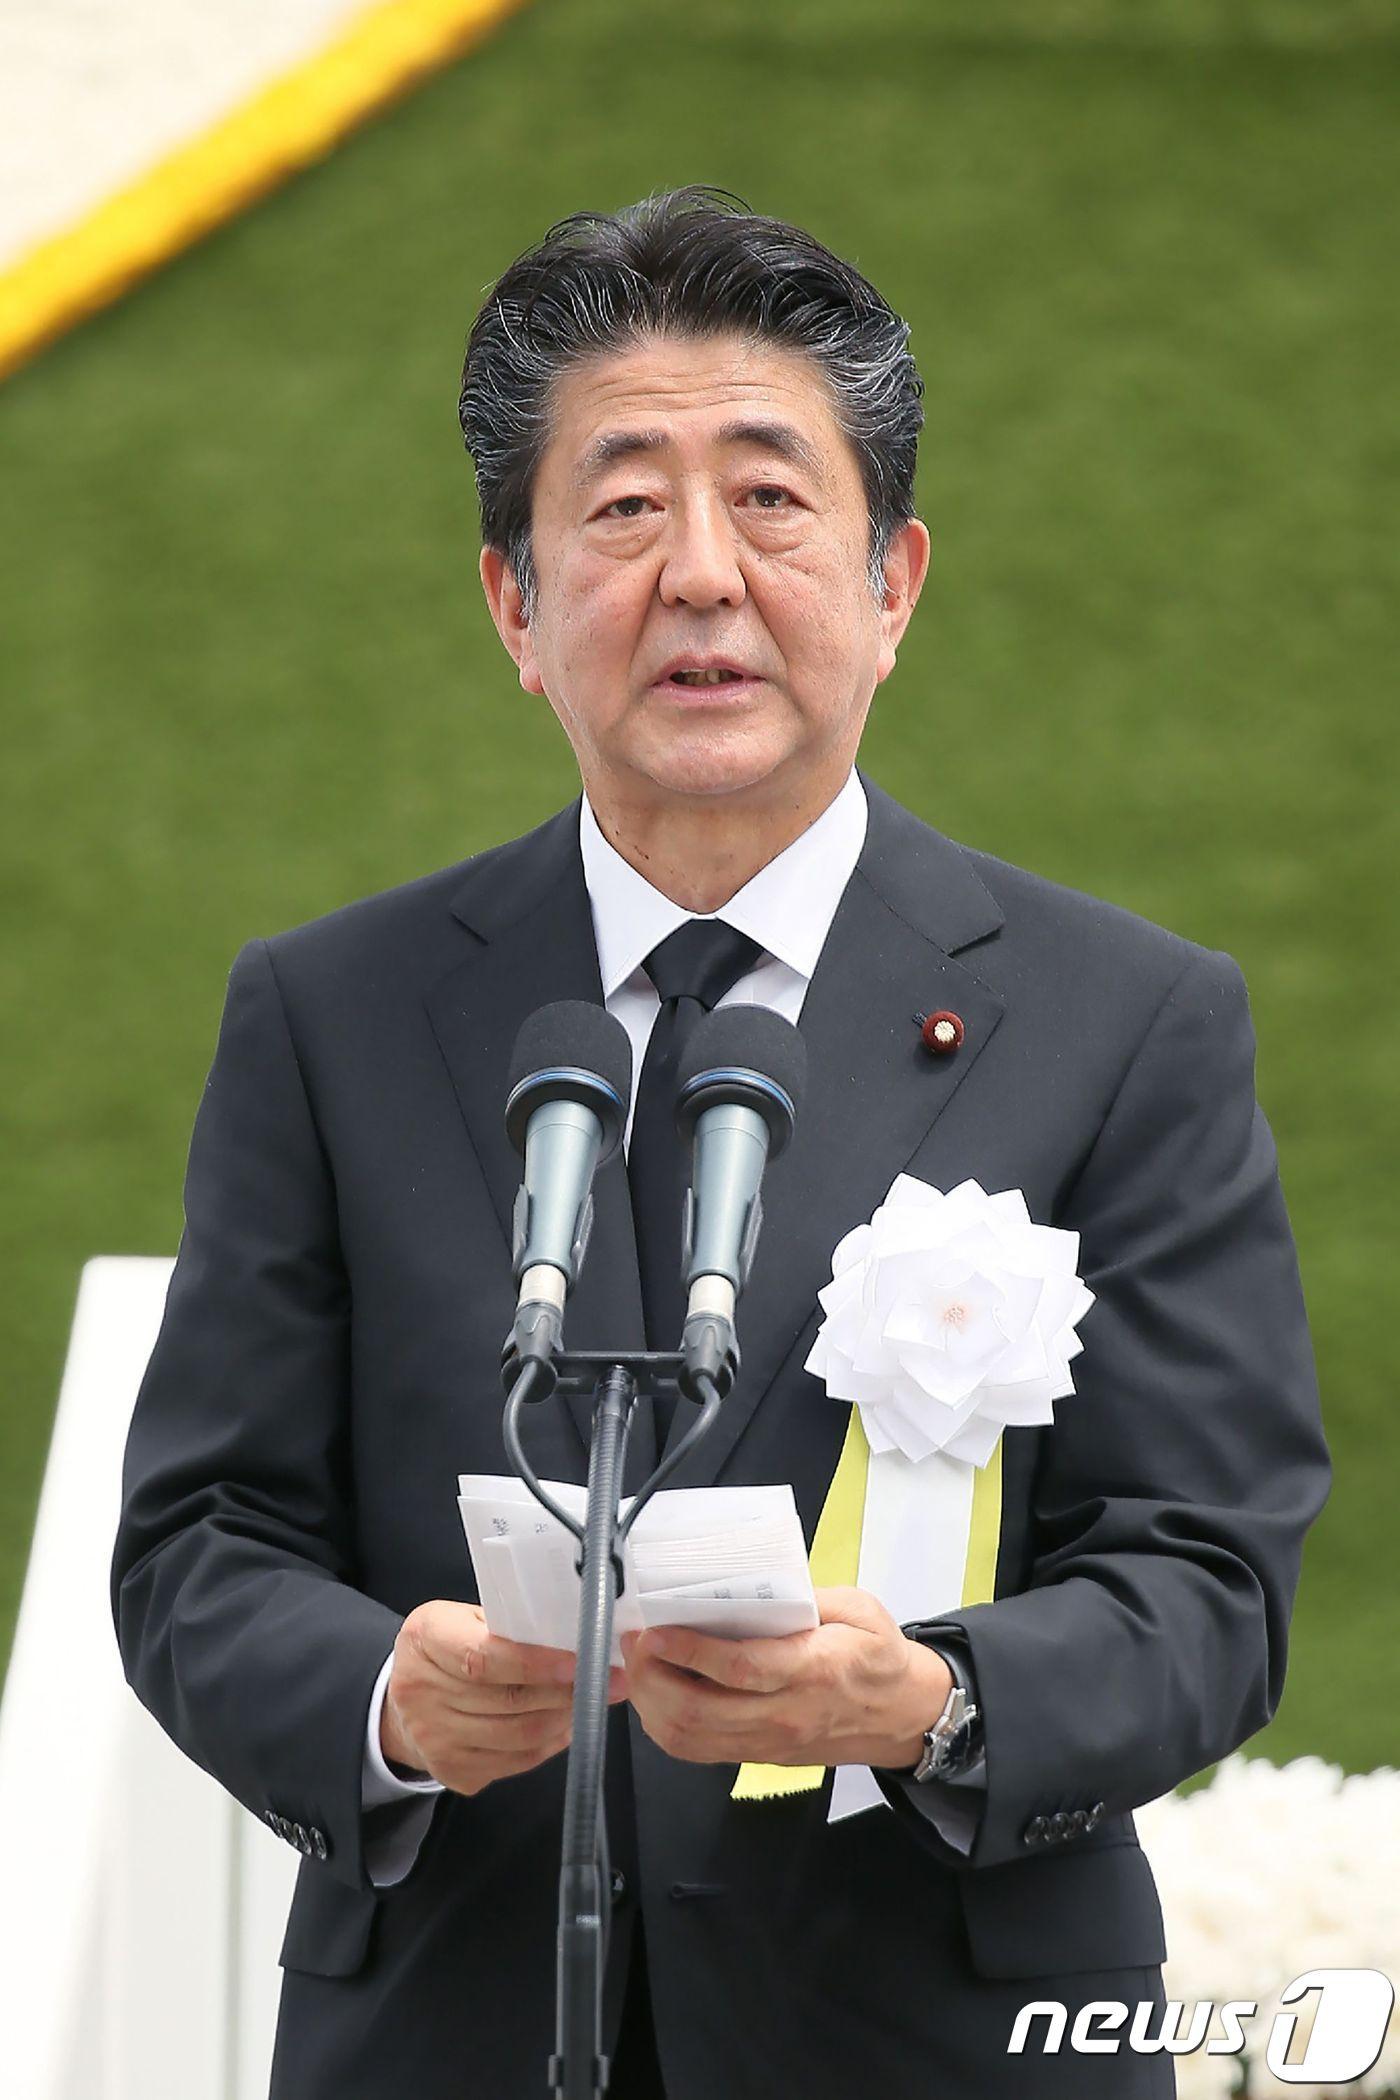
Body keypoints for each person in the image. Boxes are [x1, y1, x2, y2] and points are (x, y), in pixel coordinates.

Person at [111, 187, 1330, 2099]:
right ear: (515, 608)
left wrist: (932, 1701)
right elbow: (202, 1541)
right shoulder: (331, 1015)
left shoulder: (1125, 1022)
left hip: (944, 2042)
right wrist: (388, 1702)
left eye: (769, 498)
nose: (699, 574)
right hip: (451, 2034)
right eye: (620, 509)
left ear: (894, 584)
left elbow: (1207, 1579)